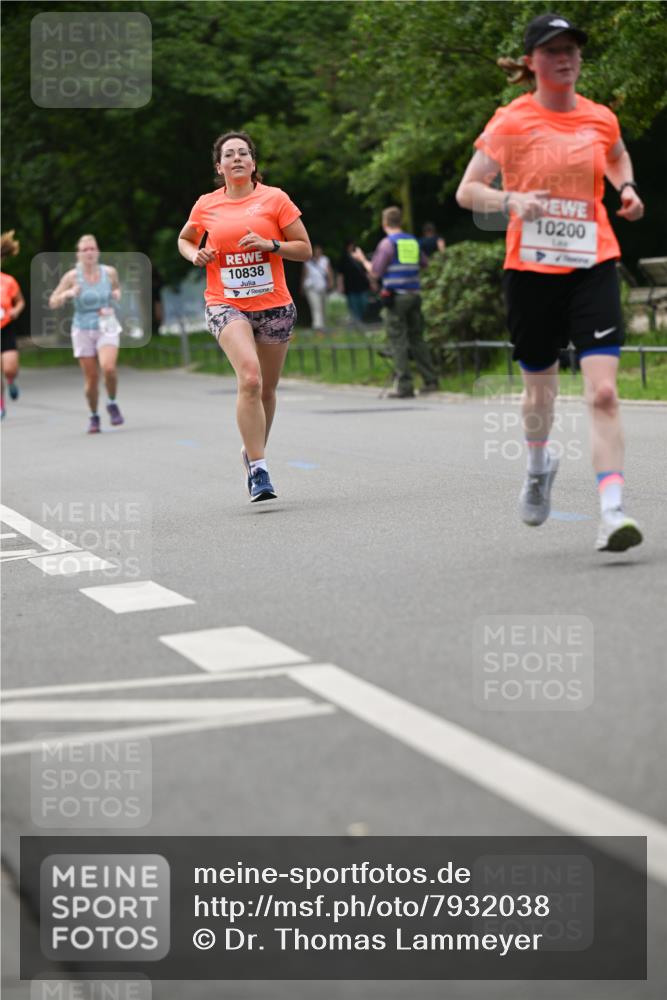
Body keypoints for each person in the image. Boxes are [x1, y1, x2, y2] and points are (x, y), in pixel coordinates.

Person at [456, 12, 645, 552]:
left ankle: (612, 512)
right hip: (531, 271)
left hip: (593, 262)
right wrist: (513, 201)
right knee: (540, 392)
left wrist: (625, 188)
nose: (565, 58)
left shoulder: (600, 117)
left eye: (573, 50)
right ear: (533, 61)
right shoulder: (511, 121)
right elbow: (469, 192)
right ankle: (539, 464)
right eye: (553, 50)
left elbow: (616, 154)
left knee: (604, 392)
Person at [178, 130, 312, 502]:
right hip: (226, 302)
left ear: (253, 163)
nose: (236, 158)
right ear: (219, 167)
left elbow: (304, 249)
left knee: (267, 389)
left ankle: (251, 450)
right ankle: (259, 469)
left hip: (274, 304)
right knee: (249, 379)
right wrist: (195, 255)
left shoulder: (275, 199)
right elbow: (186, 239)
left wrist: (271, 244)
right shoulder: (206, 204)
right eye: (229, 155)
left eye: (243, 153)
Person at [354, 207, 439, 398]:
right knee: (417, 337)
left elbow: (375, 272)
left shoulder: (387, 244)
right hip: (415, 294)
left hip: (397, 297)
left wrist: (361, 260)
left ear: (385, 223)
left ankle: (405, 386)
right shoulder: (412, 241)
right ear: (401, 222)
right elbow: (425, 264)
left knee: (398, 340)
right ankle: (430, 380)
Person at [49, 234, 123, 434]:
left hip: (106, 324)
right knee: (91, 378)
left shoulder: (109, 273)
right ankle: (94, 415)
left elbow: (117, 289)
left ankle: (112, 402)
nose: (89, 253)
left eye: (92, 249)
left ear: (97, 251)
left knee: (108, 368)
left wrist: (116, 295)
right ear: (78, 254)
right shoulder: (72, 277)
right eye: (85, 250)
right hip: (82, 328)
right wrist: (68, 294)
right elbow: (53, 301)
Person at [1, 230, 25, 419]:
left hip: (6, 327)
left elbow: (20, 301)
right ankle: (1, 405)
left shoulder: (8, 281)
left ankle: (11, 381)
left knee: (9, 368)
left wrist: (16, 311)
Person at [337, 240, 370, 331]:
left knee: (364, 303)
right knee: (353, 305)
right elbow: (341, 274)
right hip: (350, 285)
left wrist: (372, 282)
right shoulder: (344, 259)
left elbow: (366, 271)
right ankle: (358, 323)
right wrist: (340, 285)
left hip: (362, 285)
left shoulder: (360, 258)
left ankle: (360, 321)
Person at [301, 244, 333, 333]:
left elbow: (329, 272)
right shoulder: (308, 261)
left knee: (324, 306)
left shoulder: (325, 260)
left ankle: (323, 324)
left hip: (323, 286)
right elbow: (304, 275)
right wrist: (302, 287)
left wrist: (330, 282)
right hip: (311, 287)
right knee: (316, 306)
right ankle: (317, 326)